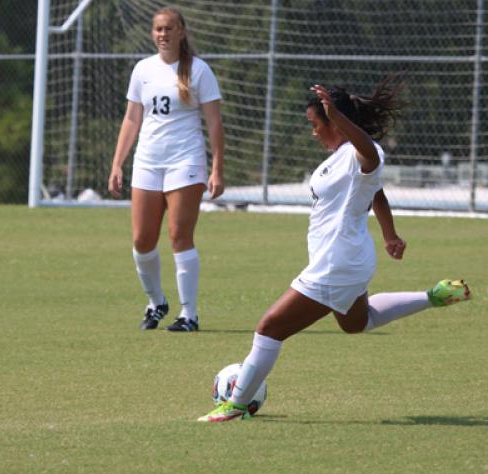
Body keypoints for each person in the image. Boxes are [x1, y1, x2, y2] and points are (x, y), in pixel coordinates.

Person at [198, 75, 471, 422]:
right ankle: (433, 296)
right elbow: (376, 192)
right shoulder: (340, 159)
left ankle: (234, 406)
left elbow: (370, 156)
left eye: (316, 124)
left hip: (337, 262)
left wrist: (341, 119)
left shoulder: (363, 152)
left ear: (336, 121)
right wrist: (390, 235)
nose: (313, 132)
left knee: (269, 328)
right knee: (358, 322)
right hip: (350, 260)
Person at [108, 6, 224, 332]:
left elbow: (214, 123)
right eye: (158, 29)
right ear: (152, 33)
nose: (163, 34)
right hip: (147, 162)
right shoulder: (143, 70)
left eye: (169, 28)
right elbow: (132, 119)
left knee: (178, 236)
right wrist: (117, 164)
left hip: (185, 162)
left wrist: (217, 169)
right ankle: (156, 301)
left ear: (181, 32)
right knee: (142, 240)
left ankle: (189, 314)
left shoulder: (199, 71)